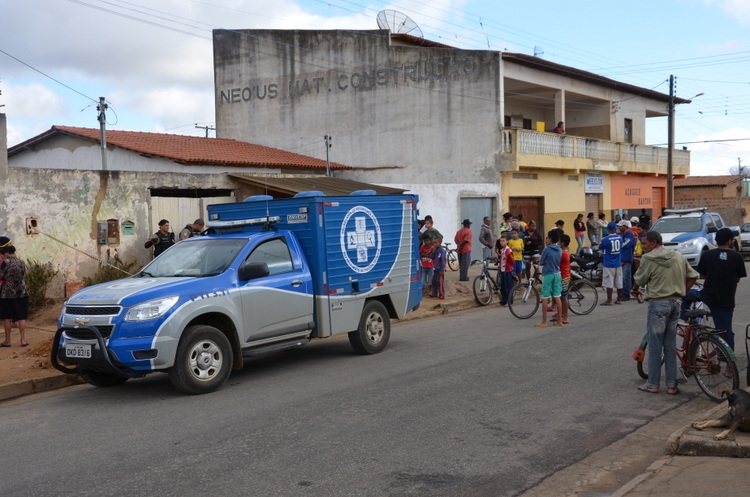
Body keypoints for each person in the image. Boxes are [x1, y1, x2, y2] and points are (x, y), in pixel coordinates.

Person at [634, 230, 699, 394]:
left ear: (654, 243)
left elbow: (640, 280)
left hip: (658, 305)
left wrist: (638, 268)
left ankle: (653, 384)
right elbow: (693, 275)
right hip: (675, 304)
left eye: (645, 244)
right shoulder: (677, 255)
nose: (643, 247)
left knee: (655, 347)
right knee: (670, 346)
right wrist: (682, 292)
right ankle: (671, 385)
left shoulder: (648, 258)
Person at [684, 227, 746, 362]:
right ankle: (729, 364)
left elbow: (702, 274)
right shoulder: (737, 257)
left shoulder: (707, 255)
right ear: (730, 241)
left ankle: (684, 316)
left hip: (707, 295)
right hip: (726, 299)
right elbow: (738, 278)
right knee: (725, 331)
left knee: (686, 295)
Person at [0, 246, 29, 347]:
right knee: (22, 317)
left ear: (7, 253)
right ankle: (23, 340)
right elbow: (23, 274)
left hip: (7, 294)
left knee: (7, 317)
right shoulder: (21, 262)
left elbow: (1, 275)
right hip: (21, 292)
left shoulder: (5, 263)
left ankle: (8, 341)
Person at [536, 230, 563, 328]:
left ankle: (544, 321)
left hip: (548, 274)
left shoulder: (547, 249)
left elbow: (542, 262)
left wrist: (544, 260)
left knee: (545, 297)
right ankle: (559, 320)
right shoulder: (559, 249)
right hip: (557, 274)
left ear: (550, 239)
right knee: (557, 296)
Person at [599, 221, 623, 305]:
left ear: (608, 229)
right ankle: (619, 299)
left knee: (609, 282)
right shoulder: (620, 237)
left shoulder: (605, 239)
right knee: (619, 281)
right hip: (618, 262)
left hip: (609, 263)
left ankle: (609, 300)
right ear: (615, 229)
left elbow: (600, 247)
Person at [618, 220, 636, 302]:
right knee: (625, 277)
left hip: (627, 258)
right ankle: (625, 293)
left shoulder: (629, 235)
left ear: (625, 226)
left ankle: (626, 294)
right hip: (622, 258)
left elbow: (624, 244)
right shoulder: (622, 234)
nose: (619, 227)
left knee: (625, 277)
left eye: (620, 226)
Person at [555, 233, 571, 325]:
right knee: (560, 297)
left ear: (563, 243)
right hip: (563, 275)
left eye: (559, 242)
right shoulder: (564, 251)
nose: (558, 243)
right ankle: (560, 314)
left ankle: (565, 316)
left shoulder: (563, 253)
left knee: (563, 298)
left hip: (563, 276)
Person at [495, 235, 514, 307]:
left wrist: (508, 256)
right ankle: (503, 301)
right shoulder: (502, 250)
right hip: (502, 270)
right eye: (501, 241)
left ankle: (510, 301)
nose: (502, 242)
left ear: (507, 241)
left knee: (508, 286)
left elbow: (512, 261)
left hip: (507, 270)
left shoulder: (508, 250)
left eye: (503, 241)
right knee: (503, 286)